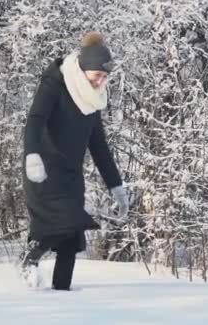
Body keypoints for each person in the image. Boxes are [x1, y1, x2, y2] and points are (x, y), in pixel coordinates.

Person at [20, 31, 129, 291]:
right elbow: (35, 120)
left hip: (70, 176)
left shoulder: (92, 101)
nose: (100, 81)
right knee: (57, 225)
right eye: (97, 75)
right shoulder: (55, 84)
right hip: (42, 171)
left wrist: (116, 186)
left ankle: (62, 294)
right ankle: (27, 263)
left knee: (70, 238)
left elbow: (99, 146)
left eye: (104, 77)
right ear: (84, 69)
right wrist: (32, 154)